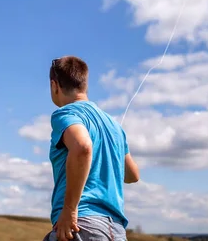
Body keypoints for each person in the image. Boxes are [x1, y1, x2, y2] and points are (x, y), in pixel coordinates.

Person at [44, 56, 140, 241]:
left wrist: (70, 210)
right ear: (84, 85)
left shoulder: (66, 113)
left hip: (81, 226)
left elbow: (82, 147)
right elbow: (132, 175)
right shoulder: (114, 125)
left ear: (54, 86)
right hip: (116, 231)